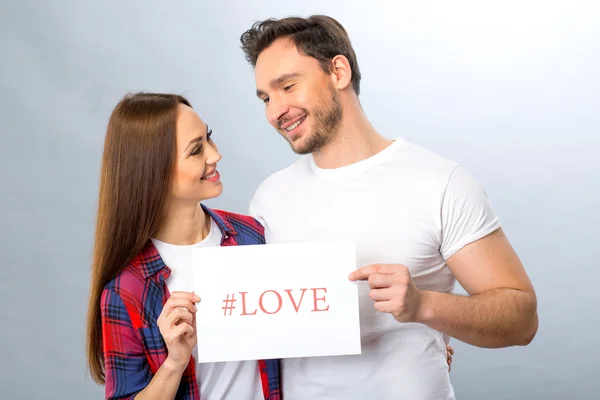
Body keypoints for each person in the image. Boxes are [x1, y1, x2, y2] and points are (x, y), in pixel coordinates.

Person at [239, 15, 538, 399]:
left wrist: (424, 305)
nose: (274, 111)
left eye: (287, 86)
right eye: (266, 97)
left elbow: (522, 319)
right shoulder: (268, 198)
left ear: (339, 71)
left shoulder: (439, 182)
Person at [85, 93, 281, 400]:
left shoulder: (252, 235)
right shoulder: (127, 291)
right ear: (153, 170)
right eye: (196, 150)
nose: (215, 155)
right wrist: (174, 363)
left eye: (209, 138)